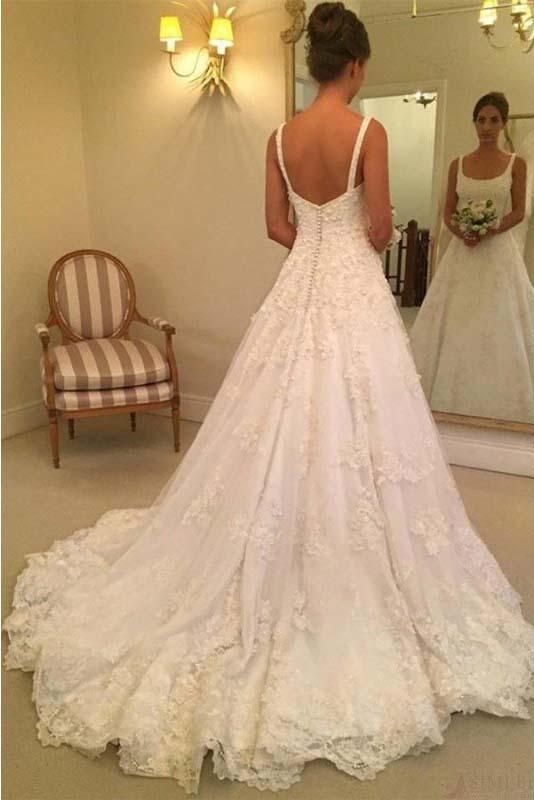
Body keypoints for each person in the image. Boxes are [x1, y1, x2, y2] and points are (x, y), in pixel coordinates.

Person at [3, 5, 534, 796]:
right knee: (366, 421)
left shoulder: (280, 136)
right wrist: (350, 244)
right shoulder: (368, 132)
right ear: (355, 66)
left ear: (315, 63)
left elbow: (275, 225)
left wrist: (316, 244)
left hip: (299, 284)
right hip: (354, 289)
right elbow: (380, 227)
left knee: (274, 412)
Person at [409, 91, 534, 423]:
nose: (486, 127)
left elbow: (520, 211)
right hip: (462, 253)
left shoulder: (516, 164)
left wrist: (491, 229)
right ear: (474, 123)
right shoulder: (458, 164)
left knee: (498, 320)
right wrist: (462, 230)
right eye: (481, 120)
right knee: (455, 321)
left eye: (493, 120)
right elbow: (448, 212)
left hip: (498, 255)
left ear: (503, 123)